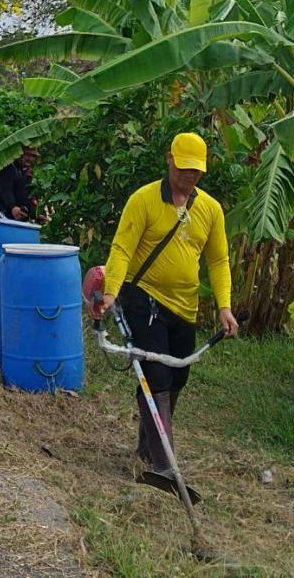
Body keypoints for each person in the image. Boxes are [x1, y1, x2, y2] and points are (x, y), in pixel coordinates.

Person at [93, 132, 237, 477]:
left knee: (176, 378)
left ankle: (147, 449)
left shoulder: (210, 209)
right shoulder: (143, 200)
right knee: (155, 375)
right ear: (169, 160)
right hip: (143, 297)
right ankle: (164, 466)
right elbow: (122, 249)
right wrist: (111, 293)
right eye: (184, 168)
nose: (190, 176)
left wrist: (224, 307)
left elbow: (218, 261)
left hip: (185, 306)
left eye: (197, 171)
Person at [0, 145, 38, 221]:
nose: (31, 159)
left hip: (17, 217)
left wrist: (35, 215)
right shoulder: (7, 169)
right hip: (2, 214)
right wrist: (13, 207)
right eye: (28, 155)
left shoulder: (24, 172)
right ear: (19, 154)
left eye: (33, 156)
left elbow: (28, 195)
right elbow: (5, 190)